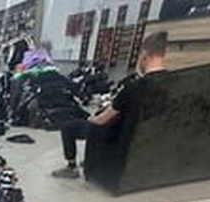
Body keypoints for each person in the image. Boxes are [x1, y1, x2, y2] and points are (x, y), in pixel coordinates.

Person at [52, 31, 169, 179]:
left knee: (68, 126)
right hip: (140, 135)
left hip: (116, 133)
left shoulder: (134, 87)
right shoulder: (171, 83)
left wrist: (92, 119)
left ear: (145, 55)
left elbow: (103, 119)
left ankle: (71, 167)